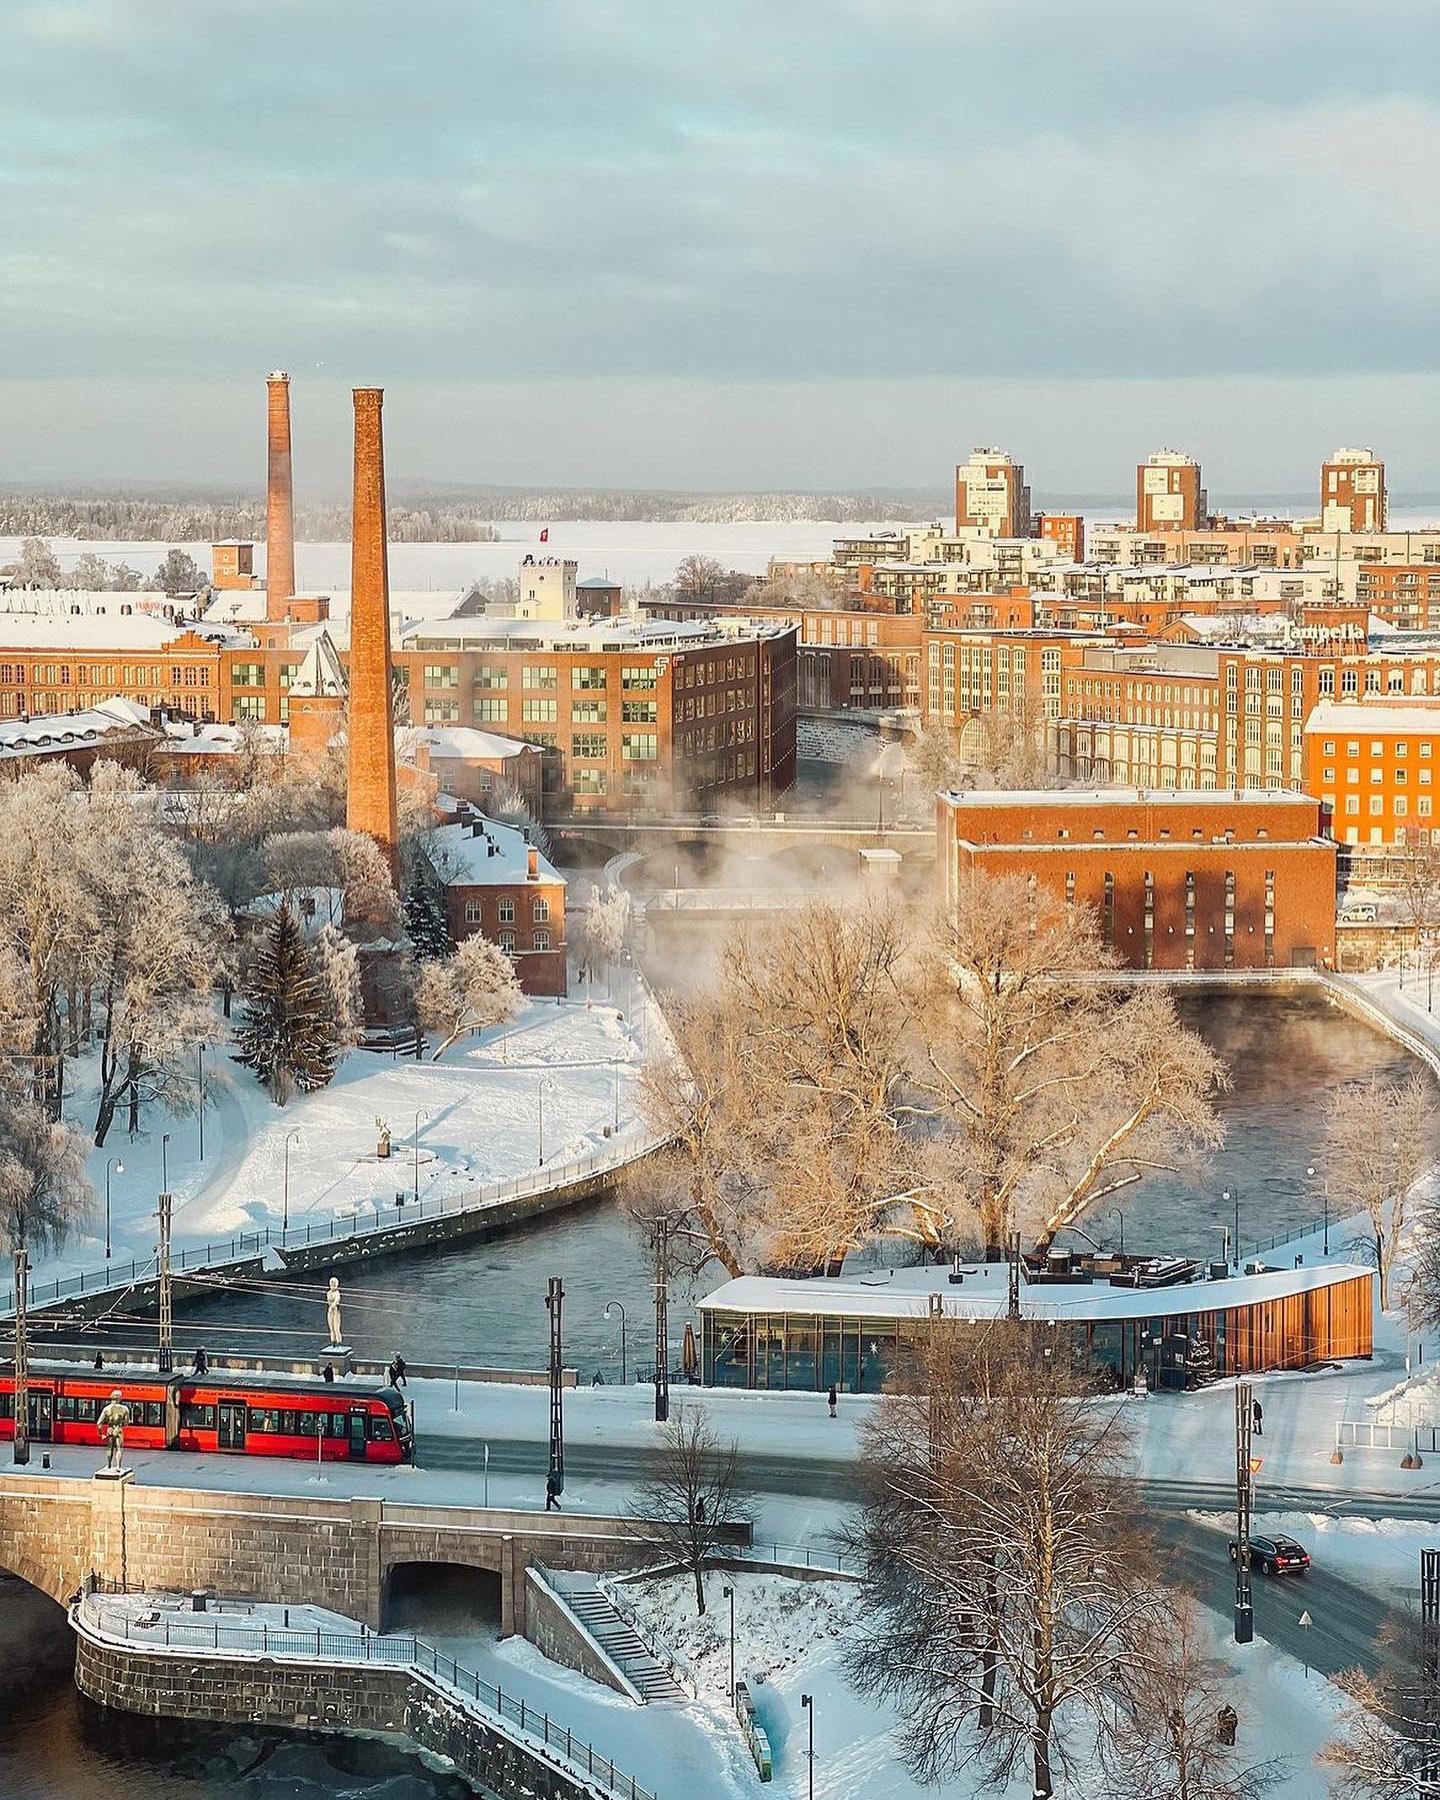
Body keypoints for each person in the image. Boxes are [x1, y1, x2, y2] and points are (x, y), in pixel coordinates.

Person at [96, 1390, 130, 1472]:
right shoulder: (125, 1409)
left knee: (110, 1448)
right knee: (119, 1448)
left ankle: (109, 1465)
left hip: (110, 1429)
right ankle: (118, 1466)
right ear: (119, 1398)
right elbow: (126, 1423)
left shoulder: (106, 1409)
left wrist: (101, 1434)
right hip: (118, 1429)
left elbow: (99, 1423)